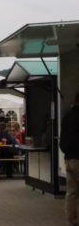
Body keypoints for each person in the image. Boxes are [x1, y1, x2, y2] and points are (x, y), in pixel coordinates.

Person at [60, 93, 79, 226]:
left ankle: (70, 219)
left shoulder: (67, 116)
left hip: (69, 158)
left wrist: (67, 151)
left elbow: (62, 140)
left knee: (71, 191)